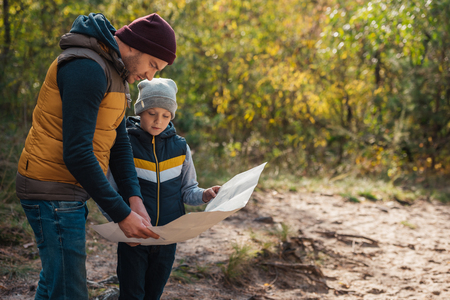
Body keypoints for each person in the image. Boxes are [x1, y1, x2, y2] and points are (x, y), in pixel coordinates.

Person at [15, 13, 177, 299]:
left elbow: (119, 140)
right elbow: (77, 152)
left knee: (55, 282)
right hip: (51, 188)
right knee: (70, 290)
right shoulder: (87, 67)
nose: (151, 76)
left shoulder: (116, 71)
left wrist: (134, 199)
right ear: (134, 45)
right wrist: (122, 214)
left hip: (68, 189)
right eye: (152, 64)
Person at [108, 78, 220, 300]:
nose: (159, 121)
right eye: (152, 113)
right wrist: (118, 221)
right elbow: (110, 190)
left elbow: (189, 190)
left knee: (154, 294)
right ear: (140, 111)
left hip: (168, 238)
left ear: (172, 116)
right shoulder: (124, 144)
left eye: (166, 115)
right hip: (134, 237)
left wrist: (205, 195)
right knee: (132, 294)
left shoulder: (180, 147)